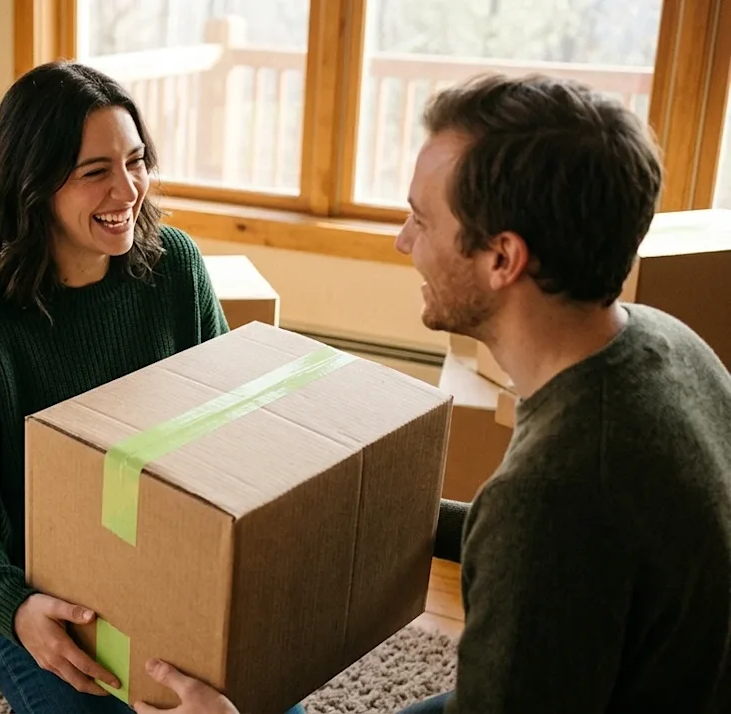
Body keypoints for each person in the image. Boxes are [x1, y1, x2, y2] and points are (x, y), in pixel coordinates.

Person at [135, 72, 731, 714]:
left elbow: (545, 531)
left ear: (503, 259)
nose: (403, 240)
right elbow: (574, 553)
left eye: (422, 220)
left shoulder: (551, 494)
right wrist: (367, 512)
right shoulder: (666, 344)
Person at [0, 61, 309, 714]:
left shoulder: (176, 269)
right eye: (96, 171)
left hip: (174, 570)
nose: (127, 189)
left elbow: (225, 436)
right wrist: (14, 609)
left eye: (136, 161)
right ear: (34, 184)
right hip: (49, 602)